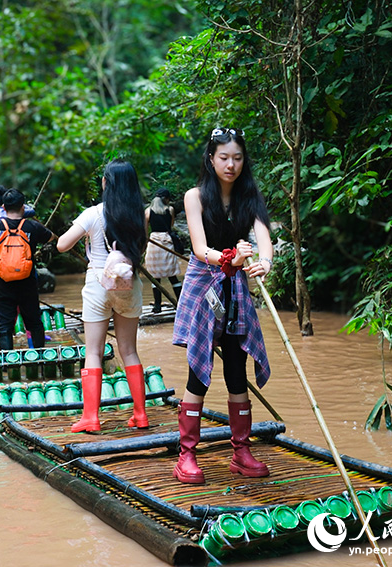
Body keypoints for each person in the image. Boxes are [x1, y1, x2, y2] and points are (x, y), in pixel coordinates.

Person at [171, 127, 273, 484]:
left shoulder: (250, 197)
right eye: (224, 157)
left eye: (238, 157)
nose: (231, 165)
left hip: (236, 286)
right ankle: (186, 455)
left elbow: (263, 238)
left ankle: (241, 452)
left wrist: (264, 262)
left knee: (235, 365)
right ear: (211, 159)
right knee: (198, 370)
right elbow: (199, 249)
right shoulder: (195, 196)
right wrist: (229, 256)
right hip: (205, 284)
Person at [56, 159, 149, 433]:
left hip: (98, 283)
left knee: (93, 351)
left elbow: (62, 245)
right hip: (128, 284)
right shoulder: (139, 216)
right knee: (129, 350)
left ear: (106, 183)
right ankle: (141, 414)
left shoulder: (93, 214)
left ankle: (91, 417)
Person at [0, 184, 54, 351]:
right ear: (23, 206)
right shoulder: (32, 227)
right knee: (34, 322)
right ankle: (39, 359)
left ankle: (7, 365)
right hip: (27, 282)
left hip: (1, 282)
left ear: (3, 207)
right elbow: (51, 238)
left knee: (5, 327)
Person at [0, 184, 37, 344]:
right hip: (24, 260)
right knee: (29, 301)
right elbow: (30, 209)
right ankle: (32, 338)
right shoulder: (23, 214)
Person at [144, 187, 182, 313]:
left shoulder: (148, 211)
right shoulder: (170, 210)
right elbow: (171, 226)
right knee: (172, 275)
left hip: (154, 243)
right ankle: (181, 303)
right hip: (167, 243)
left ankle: (157, 306)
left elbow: (145, 231)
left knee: (155, 276)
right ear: (165, 199)